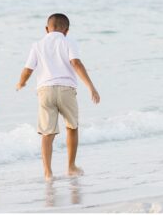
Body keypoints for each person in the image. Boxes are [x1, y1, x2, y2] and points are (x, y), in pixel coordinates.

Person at [16, 13, 100, 181]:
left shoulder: (37, 44)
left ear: (47, 29)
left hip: (45, 91)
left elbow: (28, 69)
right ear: (66, 31)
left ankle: (48, 172)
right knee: (72, 127)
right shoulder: (69, 41)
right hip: (66, 90)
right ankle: (71, 167)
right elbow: (76, 63)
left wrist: (21, 83)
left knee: (47, 133)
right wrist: (91, 87)